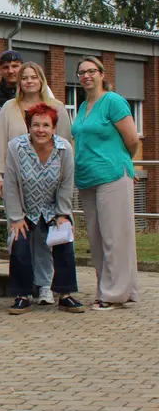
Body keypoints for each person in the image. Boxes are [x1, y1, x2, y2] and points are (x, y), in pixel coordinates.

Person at [0, 62, 72, 305]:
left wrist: (63, 211)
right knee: (20, 236)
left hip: (49, 185)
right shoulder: (9, 107)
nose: (28, 81)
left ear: (42, 79)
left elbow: (65, 146)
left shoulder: (56, 108)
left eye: (33, 76)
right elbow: (0, 143)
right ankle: (23, 292)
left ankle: (48, 287)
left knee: (49, 240)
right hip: (18, 181)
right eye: (24, 77)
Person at [72, 55, 139, 310]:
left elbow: (132, 140)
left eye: (91, 71)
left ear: (102, 74)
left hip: (112, 175)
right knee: (97, 238)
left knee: (115, 237)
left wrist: (119, 162)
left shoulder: (113, 101)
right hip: (87, 178)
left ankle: (112, 294)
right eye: (81, 72)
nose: (86, 76)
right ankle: (118, 289)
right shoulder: (82, 106)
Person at [5, 103, 85, 315]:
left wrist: (62, 214)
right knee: (20, 243)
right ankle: (22, 296)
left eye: (46, 125)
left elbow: (67, 183)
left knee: (65, 242)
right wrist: (16, 217)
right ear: (28, 127)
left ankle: (65, 295)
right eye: (36, 125)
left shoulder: (64, 149)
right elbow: (11, 184)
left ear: (54, 128)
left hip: (52, 207)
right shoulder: (16, 147)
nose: (41, 130)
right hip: (25, 209)